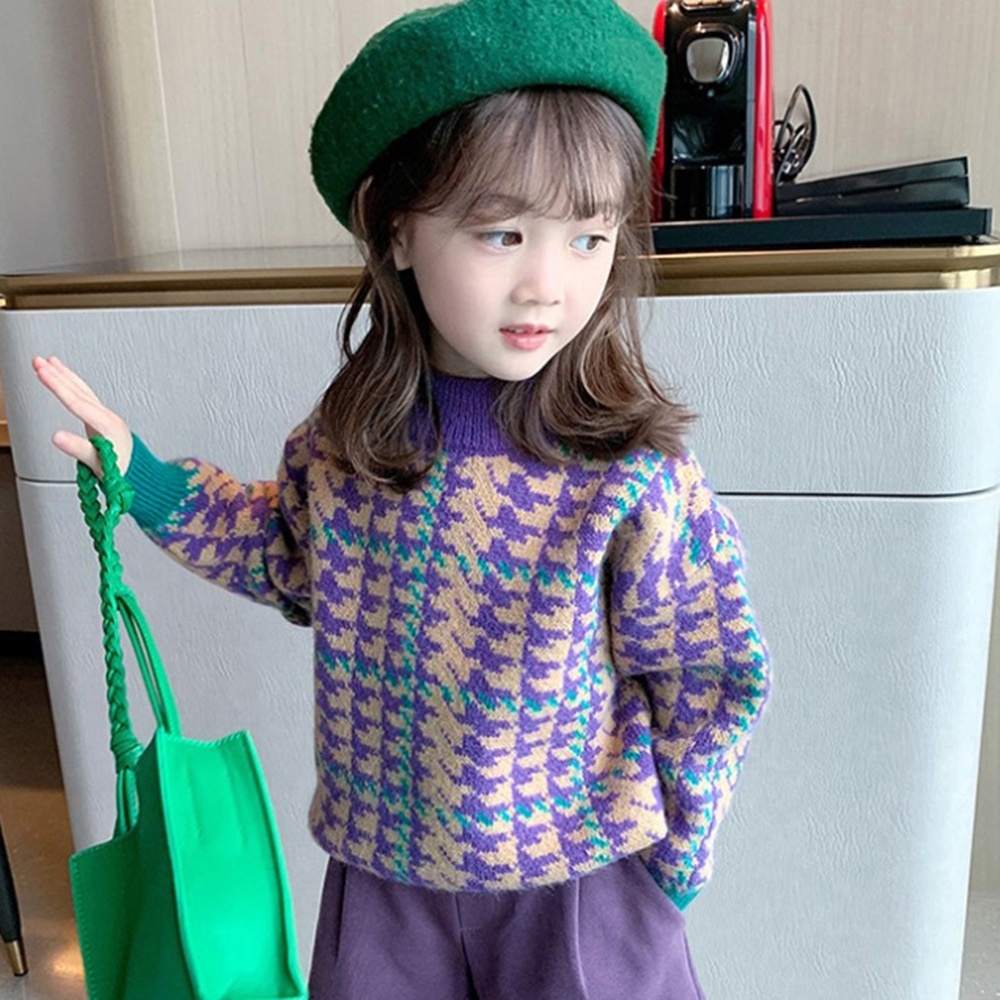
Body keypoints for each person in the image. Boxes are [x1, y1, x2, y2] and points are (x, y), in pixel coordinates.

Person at [33, 0, 772, 996]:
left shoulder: (631, 475)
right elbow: (282, 552)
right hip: (384, 883)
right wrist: (147, 479)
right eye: (503, 232)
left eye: (589, 238)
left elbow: (706, 674)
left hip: (583, 884)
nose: (548, 284)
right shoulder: (345, 453)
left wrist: (671, 863)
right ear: (396, 230)